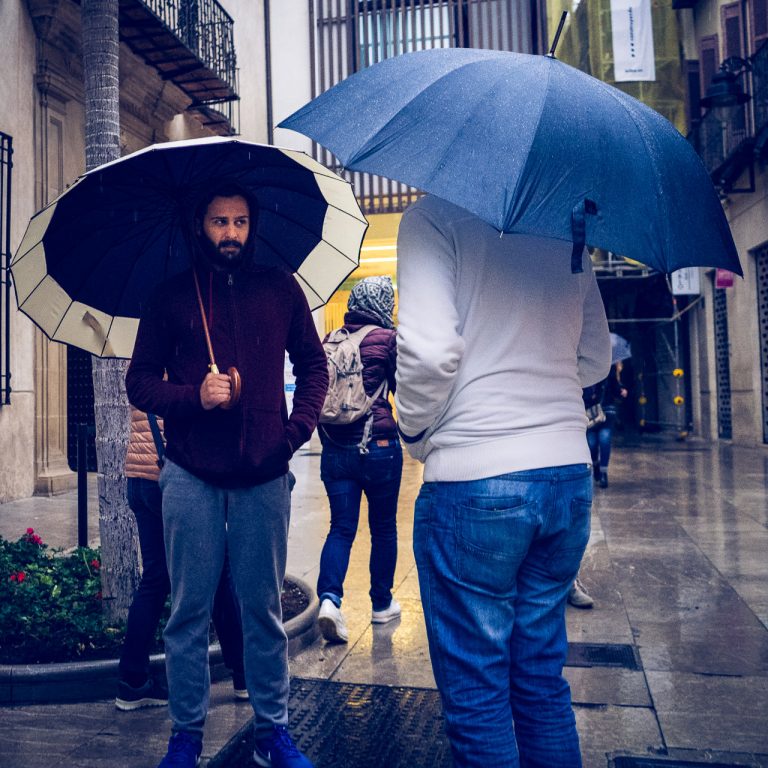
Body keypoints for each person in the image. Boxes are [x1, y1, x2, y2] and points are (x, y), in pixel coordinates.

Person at [394, 195, 610, 768]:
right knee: (541, 678)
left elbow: (431, 353)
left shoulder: (432, 218)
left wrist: (413, 428)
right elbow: (595, 358)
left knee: (476, 694)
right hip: (566, 472)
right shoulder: (566, 227)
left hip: (475, 475)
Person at [126, 183, 328, 768]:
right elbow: (139, 381)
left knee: (261, 609)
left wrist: (294, 433)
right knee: (188, 611)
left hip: (264, 474)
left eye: (240, 221)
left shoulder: (279, 288)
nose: (231, 233)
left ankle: (273, 732)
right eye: (220, 222)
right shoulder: (169, 297)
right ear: (201, 226)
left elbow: (313, 365)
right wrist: (194, 396)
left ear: (252, 225)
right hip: (190, 475)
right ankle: (186, 735)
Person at [115, 407, 247, 711]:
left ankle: (131, 681)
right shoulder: (178, 364)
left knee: (155, 578)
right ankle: (243, 674)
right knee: (218, 573)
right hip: (170, 479)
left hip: (138, 477)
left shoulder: (145, 365)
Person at [315, 276, 402, 644]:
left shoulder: (331, 340)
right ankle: (381, 604)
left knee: (341, 528)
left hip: (337, 452)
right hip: (379, 446)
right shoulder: (388, 340)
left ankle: (330, 601)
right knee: (382, 528)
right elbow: (405, 390)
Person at [585, 361, 628, 489]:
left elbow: (615, 387)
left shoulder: (609, 368)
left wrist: (621, 391)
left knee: (604, 439)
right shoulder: (583, 370)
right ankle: (596, 465)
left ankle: (604, 473)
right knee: (592, 444)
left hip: (607, 410)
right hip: (590, 412)